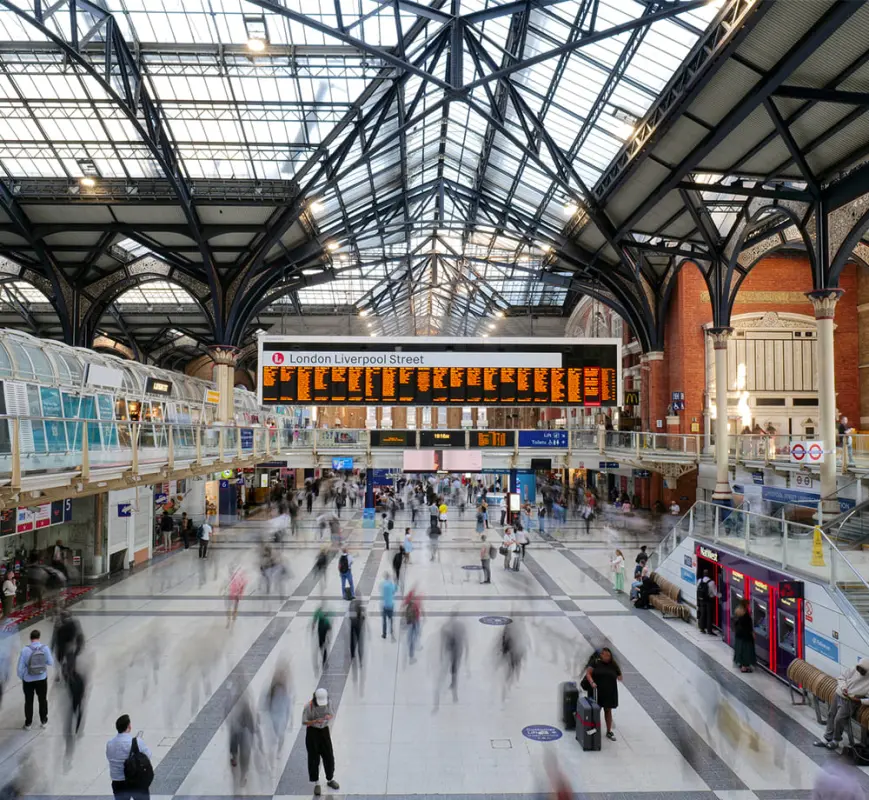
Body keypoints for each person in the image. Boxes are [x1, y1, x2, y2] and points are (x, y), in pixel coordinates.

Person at [812, 658, 869, 751]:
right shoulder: (854, 669)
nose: (859, 671)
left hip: (851, 701)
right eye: (859, 668)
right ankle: (827, 738)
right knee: (831, 715)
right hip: (839, 694)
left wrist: (860, 701)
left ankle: (836, 740)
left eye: (863, 670)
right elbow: (841, 677)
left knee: (839, 719)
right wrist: (844, 688)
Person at [106, 714, 153, 800]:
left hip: (118, 782)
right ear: (129, 726)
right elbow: (148, 755)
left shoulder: (110, 744)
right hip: (136, 781)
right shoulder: (136, 742)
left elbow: (109, 758)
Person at [303, 688, 339, 796]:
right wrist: (314, 721)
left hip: (324, 731)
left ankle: (330, 778)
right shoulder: (308, 707)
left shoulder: (329, 703)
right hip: (312, 732)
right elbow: (304, 721)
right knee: (314, 758)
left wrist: (329, 717)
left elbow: (332, 713)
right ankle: (316, 783)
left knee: (328, 755)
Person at [583, 647, 622, 741]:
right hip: (596, 691)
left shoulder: (613, 664)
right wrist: (592, 682)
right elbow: (588, 673)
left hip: (609, 692)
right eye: (605, 655)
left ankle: (609, 731)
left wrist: (618, 676)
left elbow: (620, 676)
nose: (607, 657)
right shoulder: (595, 662)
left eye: (609, 655)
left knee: (608, 711)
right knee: (596, 711)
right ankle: (592, 729)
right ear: (601, 655)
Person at [17, 629, 53, 730]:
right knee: (42, 700)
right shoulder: (45, 648)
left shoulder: (25, 650)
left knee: (28, 701)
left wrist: (23, 677)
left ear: (30, 638)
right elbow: (50, 662)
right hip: (41, 678)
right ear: (39, 637)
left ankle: (28, 723)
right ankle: (44, 721)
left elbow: (19, 668)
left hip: (28, 680)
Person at [51, 609, 84, 680]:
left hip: (67, 646)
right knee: (64, 660)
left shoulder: (72, 623)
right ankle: (65, 673)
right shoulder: (60, 624)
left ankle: (69, 673)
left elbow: (79, 634)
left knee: (68, 660)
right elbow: (55, 637)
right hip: (64, 646)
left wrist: (79, 644)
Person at [733, 598, 756, 673]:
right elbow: (748, 626)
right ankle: (744, 667)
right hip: (745, 636)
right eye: (748, 604)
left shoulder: (737, 611)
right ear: (746, 605)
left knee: (740, 649)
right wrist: (752, 633)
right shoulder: (745, 615)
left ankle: (740, 663)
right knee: (746, 651)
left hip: (738, 635)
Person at [402, 588, 422, 663]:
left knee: (410, 637)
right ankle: (411, 656)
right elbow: (417, 614)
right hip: (415, 622)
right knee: (414, 637)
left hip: (410, 622)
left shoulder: (409, 604)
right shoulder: (415, 604)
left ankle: (410, 648)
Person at [696, 569, 718, 635]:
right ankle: (709, 630)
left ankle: (702, 628)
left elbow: (697, 588)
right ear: (709, 574)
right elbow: (715, 593)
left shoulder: (700, 580)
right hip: (709, 601)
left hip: (701, 600)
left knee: (702, 614)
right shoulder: (712, 582)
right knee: (709, 616)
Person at [381, 572, 397, 640]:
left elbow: (381, 590)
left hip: (384, 605)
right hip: (390, 605)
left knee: (384, 621)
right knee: (391, 620)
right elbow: (394, 591)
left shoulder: (383, 584)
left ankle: (384, 634)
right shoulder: (391, 584)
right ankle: (392, 633)